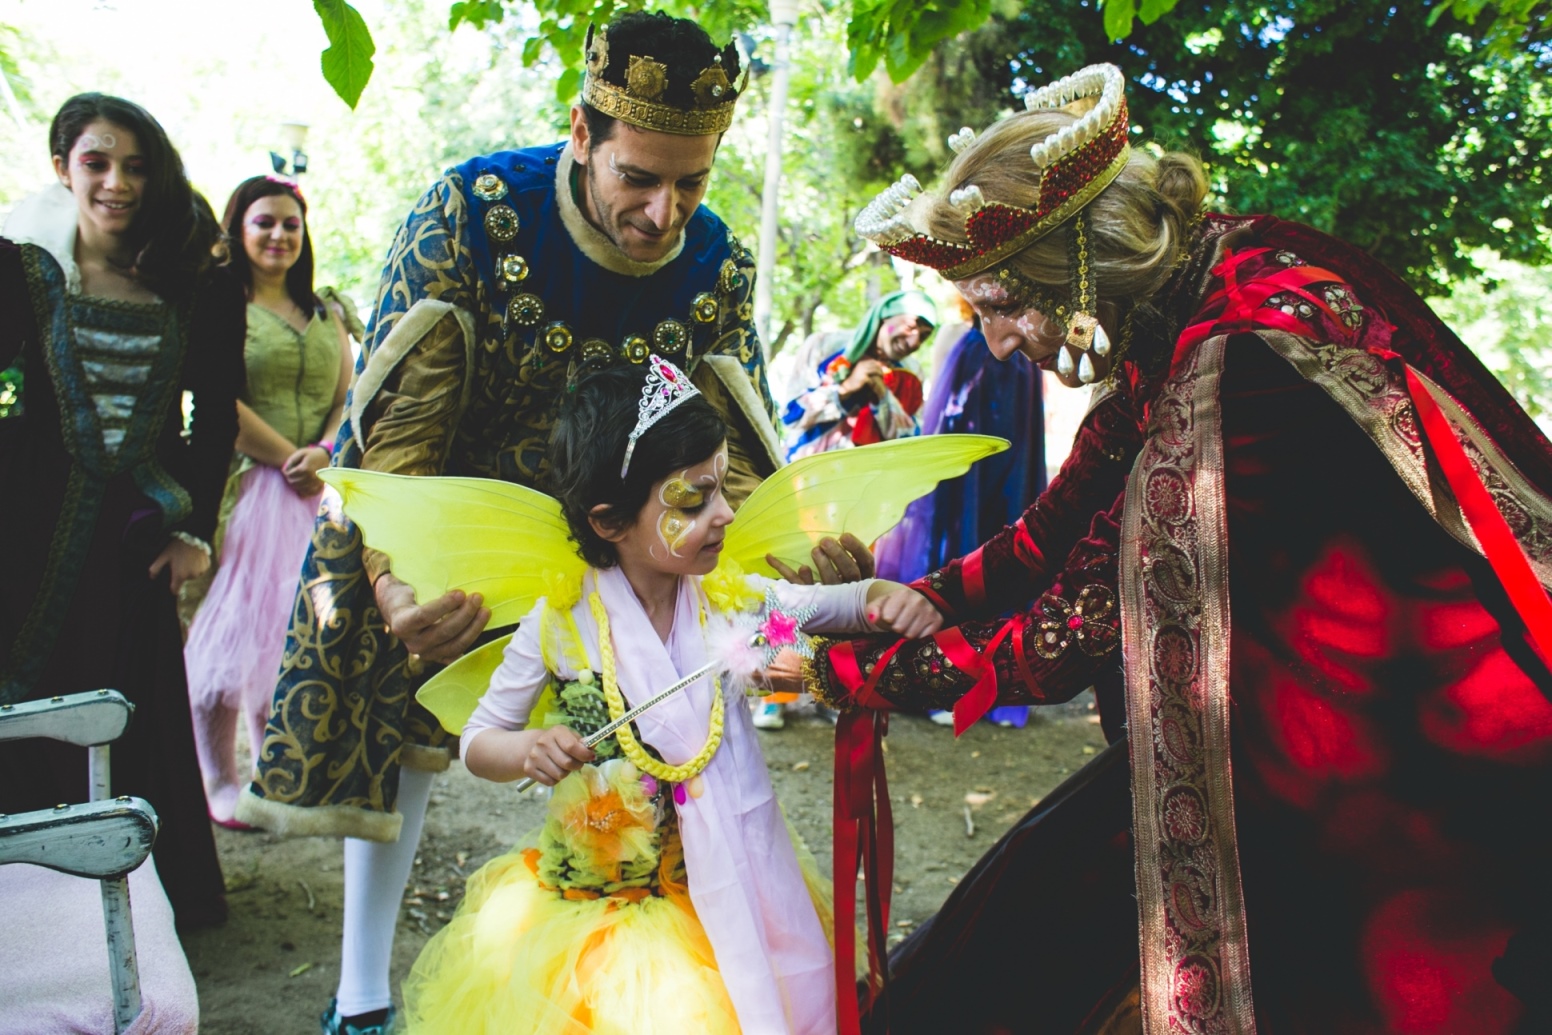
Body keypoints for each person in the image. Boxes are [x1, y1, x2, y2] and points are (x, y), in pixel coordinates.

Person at [798, 63, 1552, 1033]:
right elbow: (1061, 521)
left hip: (1399, 774)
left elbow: (1074, 632)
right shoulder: (1216, 278)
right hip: (1304, 727)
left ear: (1072, 278)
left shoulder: (1234, 365)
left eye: (998, 305)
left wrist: (860, 674)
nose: (990, 343)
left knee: (1028, 953)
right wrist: (919, 596)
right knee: (1018, 922)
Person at [232, 14, 869, 1034]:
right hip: (463, 498)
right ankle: (360, 995)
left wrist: (797, 545)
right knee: (407, 710)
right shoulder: (471, 211)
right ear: (581, 131)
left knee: (651, 742)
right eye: (639, 178)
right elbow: (399, 417)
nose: (664, 213)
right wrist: (400, 576)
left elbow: (729, 434)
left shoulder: (714, 260)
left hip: (625, 531)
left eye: (692, 183)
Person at [400, 357, 937, 1033]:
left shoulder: (734, 603)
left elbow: (827, 606)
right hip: (614, 905)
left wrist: (885, 597)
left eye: (720, 489)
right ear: (608, 521)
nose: (726, 514)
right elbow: (479, 740)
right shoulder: (561, 623)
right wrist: (527, 746)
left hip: (747, 882)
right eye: (694, 499)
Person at [0, 93, 245, 929]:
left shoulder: (195, 286)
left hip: (136, 539)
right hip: (25, 532)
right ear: (61, 167)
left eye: (136, 165)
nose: (117, 182)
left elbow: (213, 416)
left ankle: (146, 895)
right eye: (97, 162)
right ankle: (36, 897)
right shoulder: (23, 274)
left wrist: (192, 532)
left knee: (128, 703)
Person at [182, 175, 356, 827]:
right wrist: (289, 455)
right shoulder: (221, 308)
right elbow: (218, 397)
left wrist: (328, 448)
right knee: (229, 635)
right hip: (250, 484)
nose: (279, 235)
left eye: (290, 223)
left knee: (289, 638)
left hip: (319, 487)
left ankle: (271, 771)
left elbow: (347, 392)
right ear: (239, 229)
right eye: (264, 223)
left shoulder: (326, 312)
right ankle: (217, 778)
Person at [874, 312, 1047, 730]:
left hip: (1017, 401)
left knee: (1009, 520)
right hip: (972, 404)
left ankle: (1003, 686)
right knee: (959, 532)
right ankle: (943, 681)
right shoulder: (961, 338)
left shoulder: (1024, 353)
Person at [780, 289, 937, 460]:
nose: (914, 342)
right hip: (807, 471)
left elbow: (912, 441)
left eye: (923, 336)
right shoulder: (824, 345)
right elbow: (791, 415)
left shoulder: (911, 374)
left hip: (871, 478)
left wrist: (882, 395)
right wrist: (845, 389)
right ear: (886, 315)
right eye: (910, 326)